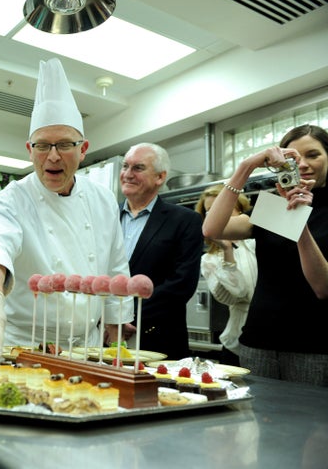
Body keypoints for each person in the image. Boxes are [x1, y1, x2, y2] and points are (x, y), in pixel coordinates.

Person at [0, 58, 133, 358]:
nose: (52, 156)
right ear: (30, 150)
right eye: (42, 145)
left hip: (87, 348)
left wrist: (117, 335)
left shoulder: (103, 199)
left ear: (83, 149)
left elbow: (116, 268)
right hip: (24, 346)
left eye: (65, 145)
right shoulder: (13, 197)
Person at [203, 124, 328, 386]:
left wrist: (299, 222)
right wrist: (246, 167)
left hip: (315, 344)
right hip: (258, 341)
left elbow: (322, 286)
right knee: (259, 423)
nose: (302, 164)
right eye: (293, 158)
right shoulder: (274, 204)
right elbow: (212, 228)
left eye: (313, 155)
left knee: (312, 423)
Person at [118, 143, 203, 360]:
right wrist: (106, 317)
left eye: (138, 168)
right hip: (102, 336)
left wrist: (128, 317)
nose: (127, 174)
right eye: (125, 166)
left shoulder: (185, 220)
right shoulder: (106, 216)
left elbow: (181, 284)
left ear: (160, 177)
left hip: (157, 340)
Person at [195, 185, 258, 366]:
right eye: (210, 211)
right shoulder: (209, 259)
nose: (218, 216)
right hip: (237, 342)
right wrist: (227, 249)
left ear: (240, 210)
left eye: (224, 208)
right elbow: (236, 294)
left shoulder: (261, 241)